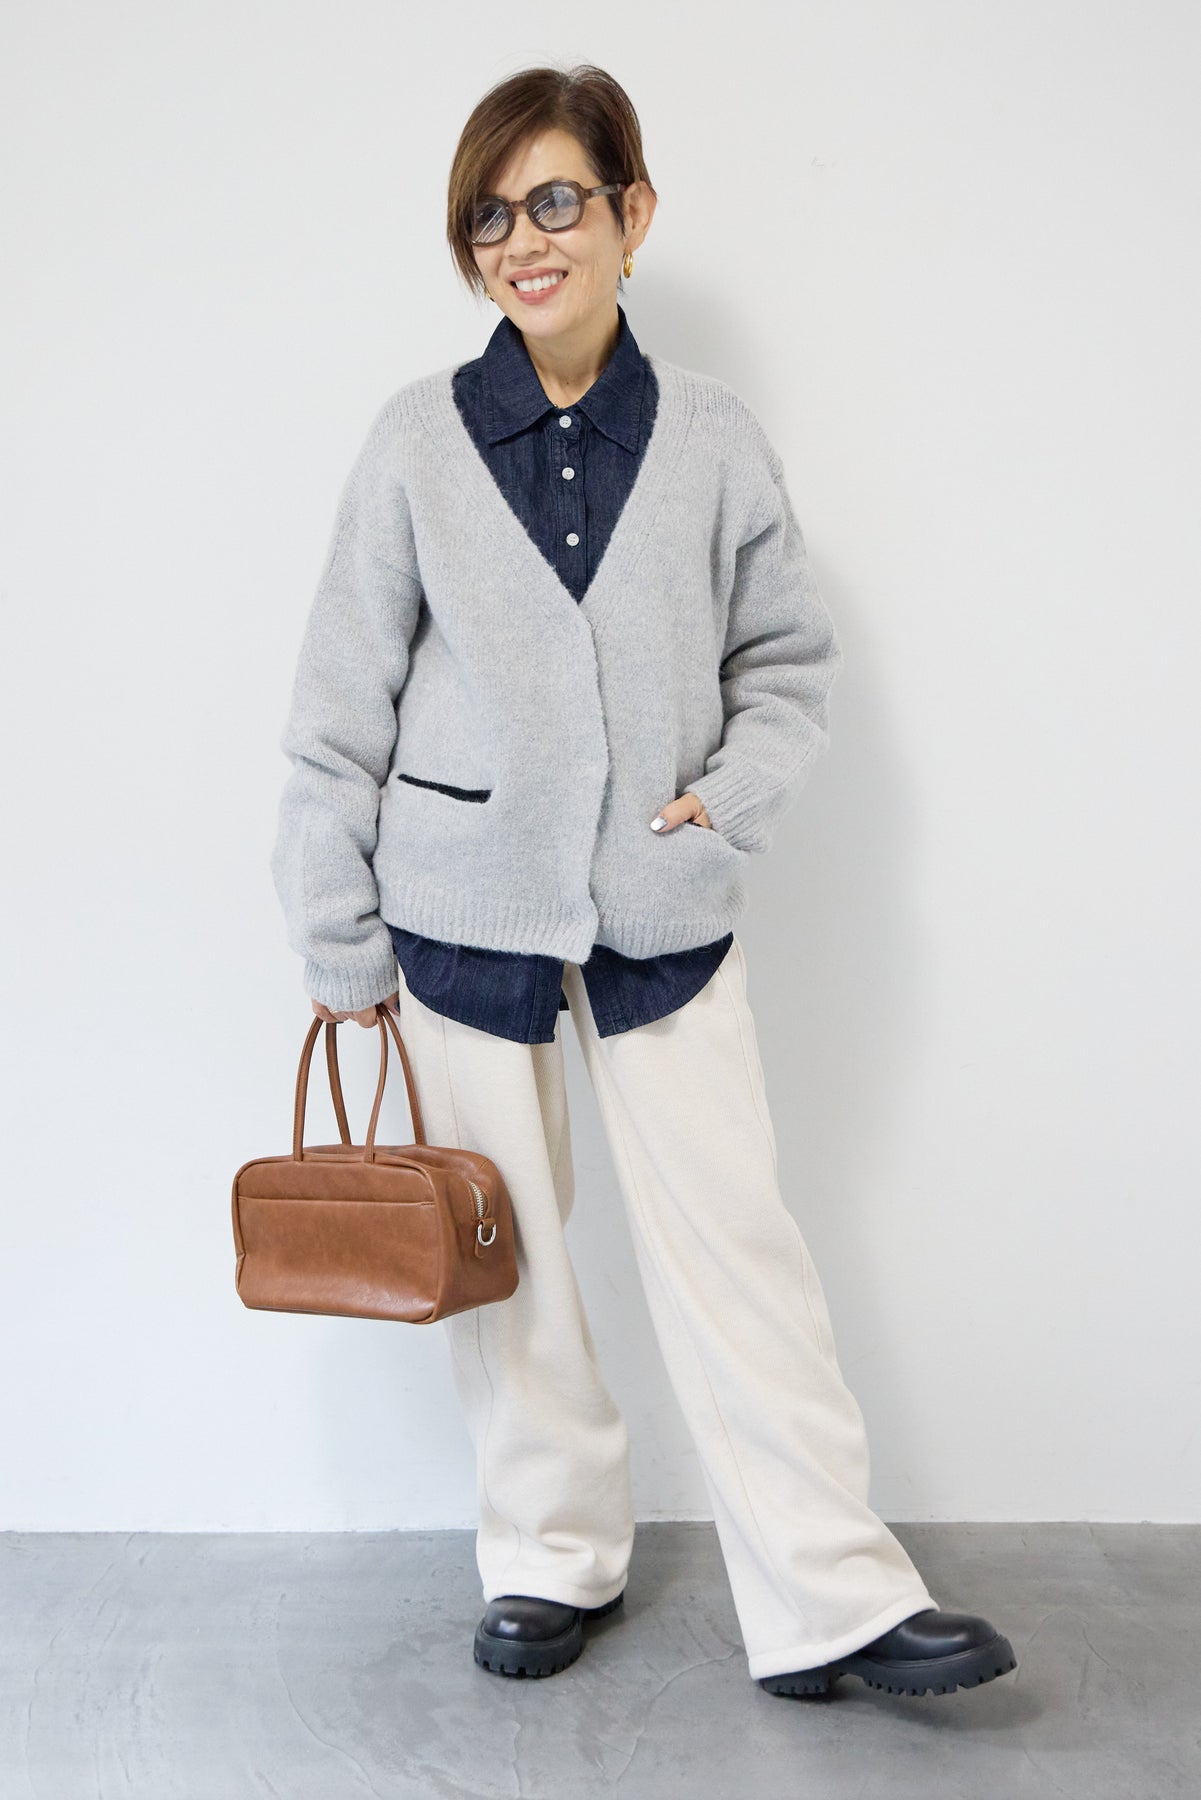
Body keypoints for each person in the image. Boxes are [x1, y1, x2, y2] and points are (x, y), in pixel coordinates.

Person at [269, 62, 1017, 1701]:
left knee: (738, 1248)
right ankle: (549, 1556)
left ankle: (829, 1596)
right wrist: (337, 934)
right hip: (459, 909)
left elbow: (788, 665)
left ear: (632, 213)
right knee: (511, 1271)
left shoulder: (715, 441)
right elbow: (336, 710)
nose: (523, 240)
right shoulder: (413, 443)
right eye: (489, 216)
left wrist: (723, 806)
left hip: (664, 907)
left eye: (556, 200)